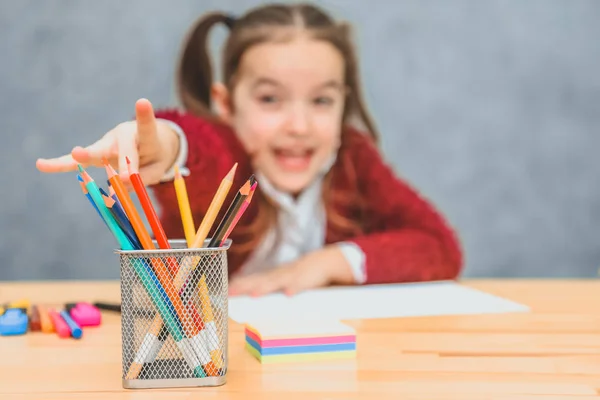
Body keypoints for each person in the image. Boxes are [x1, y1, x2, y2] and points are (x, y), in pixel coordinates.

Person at [36, 3, 463, 296]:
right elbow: (196, 150)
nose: (299, 127)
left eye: (322, 101)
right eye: (270, 100)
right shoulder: (230, 155)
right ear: (226, 105)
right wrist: (164, 146)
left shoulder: (353, 158)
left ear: (344, 104)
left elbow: (440, 248)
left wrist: (326, 263)